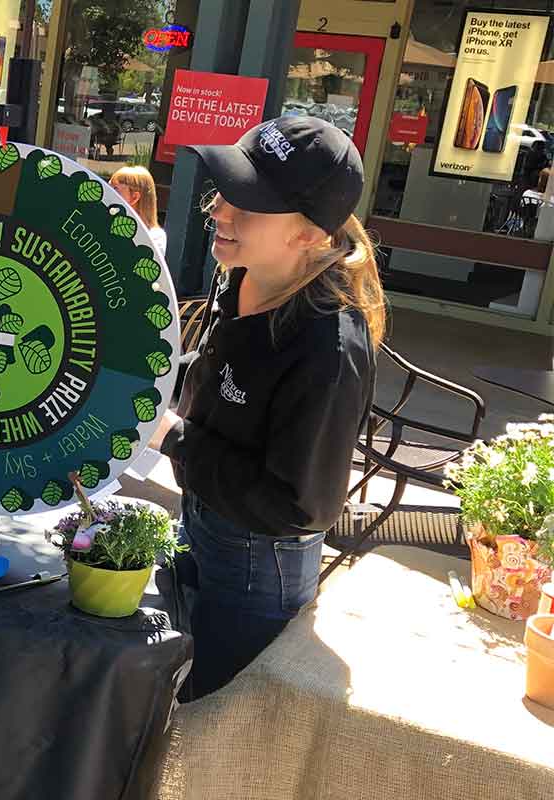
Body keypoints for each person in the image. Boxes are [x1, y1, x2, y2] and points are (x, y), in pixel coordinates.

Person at [150, 116, 385, 698]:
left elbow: (297, 506)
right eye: (224, 191)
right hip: (203, 523)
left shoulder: (328, 348)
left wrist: (171, 436)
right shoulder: (241, 276)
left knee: (212, 723)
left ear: (308, 234)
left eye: (246, 205)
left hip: (259, 567)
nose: (219, 212)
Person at [110, 165, 167, 254]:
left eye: (115, 189)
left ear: (134, 197)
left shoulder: (155, 236)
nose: (109, 193)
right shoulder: (108, 223)